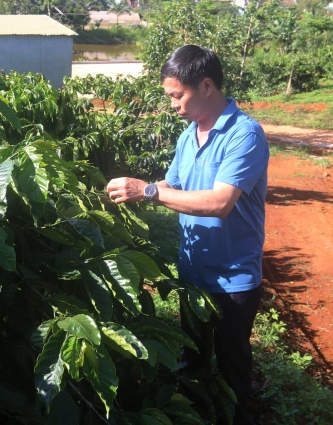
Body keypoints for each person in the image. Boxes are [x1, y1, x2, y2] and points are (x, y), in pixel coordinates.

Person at [106, 45, 268, 425]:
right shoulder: (188, 136)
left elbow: (220, 202)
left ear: (206, 86)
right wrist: (136, 192)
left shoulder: (245, 135)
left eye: (178, 95)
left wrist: (147, 191)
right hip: (193, 273)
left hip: (233, 279)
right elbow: (173, 184)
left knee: (232, 366)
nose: (173, 105)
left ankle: (236, 418)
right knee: (193, 358)